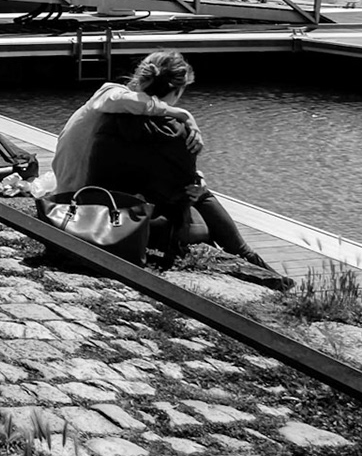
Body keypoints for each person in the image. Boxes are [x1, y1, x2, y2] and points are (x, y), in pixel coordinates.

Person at [61, 51, 288, 287]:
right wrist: (183, 115)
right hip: (95, 206)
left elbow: (143, 168)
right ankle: (251, 259)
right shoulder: (150, 119)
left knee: (192, 190)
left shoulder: (112, 109)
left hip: (81, 196)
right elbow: (172, 186)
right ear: (176, 91)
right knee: (200, 201)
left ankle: (252, 261)